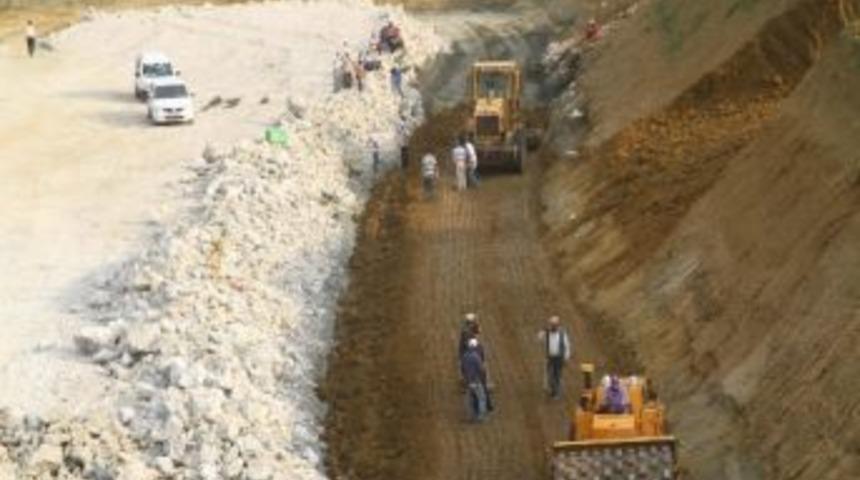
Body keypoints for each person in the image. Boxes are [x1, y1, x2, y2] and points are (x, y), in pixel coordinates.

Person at [537, 316, 571, 398]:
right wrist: (543, 330)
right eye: (552, 325)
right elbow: (539, 338)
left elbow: (567, 345)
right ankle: (553, 390)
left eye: (554, 325)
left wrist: (566, 357)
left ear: (558, 325)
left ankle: (557, 392)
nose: (553, 327)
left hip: (559, 358)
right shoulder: (547, 333)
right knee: (549, 375)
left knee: (557, 375)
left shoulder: (562, 334)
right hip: (550, 357)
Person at [461, 338, 488, 422]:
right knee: (481, 398)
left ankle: (471, 416)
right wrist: (483, 378)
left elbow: (462, 368)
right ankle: (481, 417)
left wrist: (465, 378)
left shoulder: (465, 356)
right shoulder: (476, 357)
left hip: (468, 381)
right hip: (476, 380)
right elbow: (481, 369)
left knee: (470, 399)